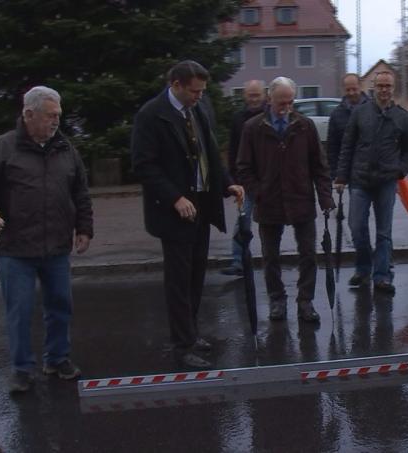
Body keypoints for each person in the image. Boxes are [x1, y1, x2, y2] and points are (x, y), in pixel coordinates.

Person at [0, 86, 93, 393]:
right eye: (51, 115)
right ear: (28, 114)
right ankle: (21, 369)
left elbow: (80, 191)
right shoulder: (1, 150)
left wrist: (84, 228)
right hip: (15, 248)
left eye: (58, 116)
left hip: (56, 246)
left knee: (60, 306)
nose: (56, 121)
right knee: (20, 311)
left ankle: (57, 359)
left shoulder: (66, 149)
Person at [131, 60, 243, 369]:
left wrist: (229, 185)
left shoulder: (199, 107)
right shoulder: (151, 115)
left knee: (195, 277)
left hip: (201, 206)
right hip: (174, 212)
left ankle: (190, 334)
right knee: (179, 281)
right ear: (176, 85)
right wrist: (174, 198)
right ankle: (182, 346)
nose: (199, 96)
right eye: (194, 91)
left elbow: (210, 151)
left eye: (202, 91)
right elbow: (144, 165)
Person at [237, 76, 335, 322]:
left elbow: (319, 166)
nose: (286, 108)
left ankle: (305, 301)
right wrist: (257, 192)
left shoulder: (305, 126)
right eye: (281, 103)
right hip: (268, 202)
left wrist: (325, 198)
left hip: (300, 199)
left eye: (290, 102)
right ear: (270, 99)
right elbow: (244, 167)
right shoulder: (253, 128)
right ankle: (277, 300)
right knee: (270, 257)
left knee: (308, 255)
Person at [334, 70, 408, 294]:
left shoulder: (401, 116)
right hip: (359, 180)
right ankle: (363, 268)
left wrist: (401, 170)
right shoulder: (360, 113)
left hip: (386, 181)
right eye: (380, 86)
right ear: (373, 88)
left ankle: (382, 276)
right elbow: (347, 146)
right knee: (356, 227)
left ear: (393, 88)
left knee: (383, 233)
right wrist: (341, 176)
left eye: (388, 86)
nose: (384, 90)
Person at [221, 80, 267, 277]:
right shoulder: (238, 119)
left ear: (264, 95)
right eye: (251, 95)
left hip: (268, 179)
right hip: (245, 180)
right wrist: (232, 180)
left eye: (257, 95)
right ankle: (239, 260)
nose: (254, 99)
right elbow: (233, 151)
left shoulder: (270, 116)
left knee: (270, 223)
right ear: (244, 96)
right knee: (242, 221)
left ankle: (270, 259)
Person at [326, 73, 369, 179]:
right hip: (352, 172)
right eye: (348, 90)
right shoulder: (336, 114)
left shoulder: (374, 109)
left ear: (361, 86)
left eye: (354, 89)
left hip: (374, 171)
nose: (351, 93)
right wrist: (336, 173)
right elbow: (332, 147)